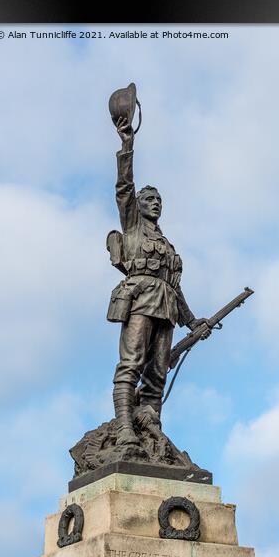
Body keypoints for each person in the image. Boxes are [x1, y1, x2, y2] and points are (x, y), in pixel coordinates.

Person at [108, 115, 211, 446]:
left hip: (167, 307)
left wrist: (194, 321)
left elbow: (174, 287)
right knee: (131, 365)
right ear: (138, 205)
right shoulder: (133, 226)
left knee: (157, 373)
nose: (156, 204)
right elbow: (124, 186)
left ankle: (152, 430)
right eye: (150, 199)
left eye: (160, 200)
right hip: (140, 300)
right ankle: (124, 425)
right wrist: (127, 143)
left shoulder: (167, 245)